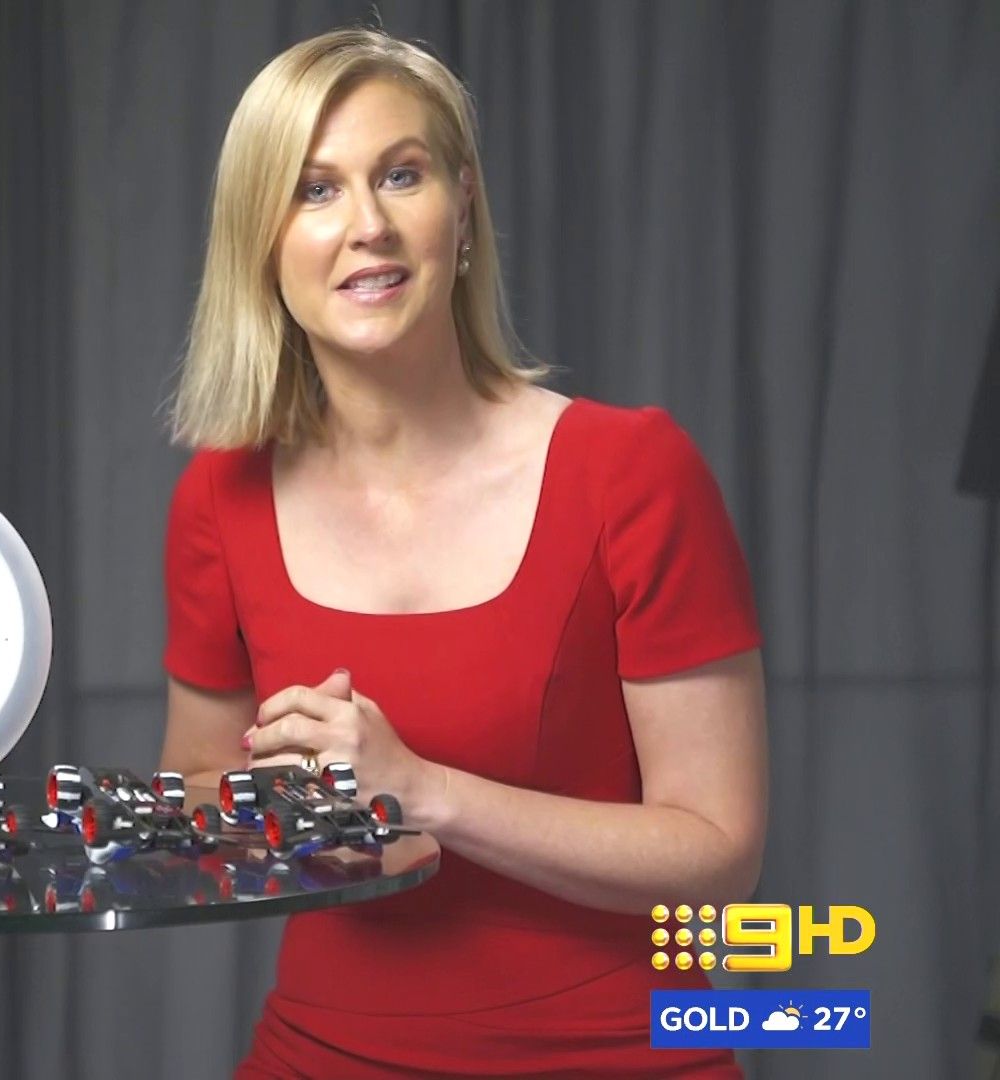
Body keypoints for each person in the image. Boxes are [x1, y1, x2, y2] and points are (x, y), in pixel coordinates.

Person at [159, 26, 767, 1079]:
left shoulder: (632, 470)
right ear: (262, 238)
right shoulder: (222, 494)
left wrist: (423, 791)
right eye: (315, 190)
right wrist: (289, 816)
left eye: (402, 174)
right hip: (321, 1054)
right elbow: (195, 790)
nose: (369, 225)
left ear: (465, 204)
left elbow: (719, 855)